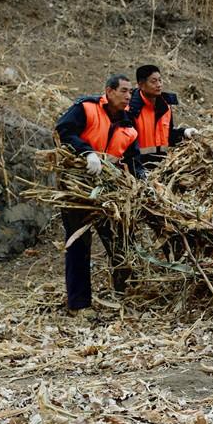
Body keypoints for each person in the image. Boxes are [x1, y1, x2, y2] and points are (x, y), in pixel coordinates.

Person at [55, 74, 146, 315]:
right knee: (78, 244)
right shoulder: (86, 107)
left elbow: (133, 159)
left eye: (131, 92)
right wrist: (87, 152)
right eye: (124, 91)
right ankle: (79, 305)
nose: (129, 96)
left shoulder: (129, 123)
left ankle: (123, 298)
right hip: (79, 185)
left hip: (109, 191)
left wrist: (142, 183)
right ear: (109, 91)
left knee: (120, 241)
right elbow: (63, 130)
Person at [128, 64, 199, 169]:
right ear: (141, 85)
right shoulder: (132, 109)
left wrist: (184, 133)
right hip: (138, 171)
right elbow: (126, 148)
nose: (159, 84)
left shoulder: (165, 107)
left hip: (161, 169)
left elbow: (168, 136)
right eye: (153, 81)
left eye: (160, 80)